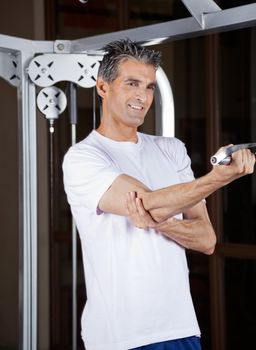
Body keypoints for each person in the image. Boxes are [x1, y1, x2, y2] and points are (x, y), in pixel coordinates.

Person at [62, 39, 255, 350]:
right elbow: (147, 202)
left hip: (180, 327)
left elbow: (206, 240)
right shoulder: (83, 157)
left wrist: (158, 223)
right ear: (102, 87)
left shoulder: (171, 149)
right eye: (132, 83)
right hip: (123, 335)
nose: (143, 96)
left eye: (150, 86)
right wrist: (219, 178)